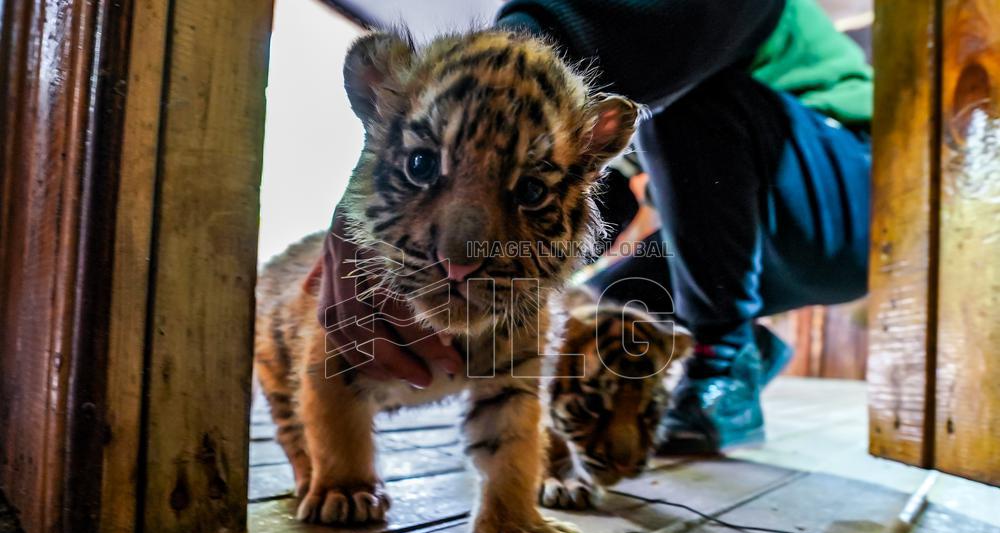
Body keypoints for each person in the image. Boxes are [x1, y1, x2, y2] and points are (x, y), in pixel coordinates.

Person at [317, 0, 872, 454]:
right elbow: (594, 207)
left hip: (857, 195)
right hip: (753, 230)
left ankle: (722, 357)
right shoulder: (630, 96)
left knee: (691, 105)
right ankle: (743, 338)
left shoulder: (674, 57)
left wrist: (518, 54)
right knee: (597, 314)